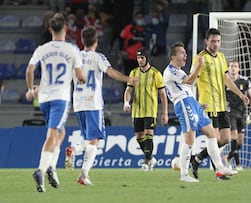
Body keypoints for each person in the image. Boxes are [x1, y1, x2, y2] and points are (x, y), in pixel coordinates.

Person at [67, 26, 138, 185]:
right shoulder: (98, 57)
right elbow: (111, 72)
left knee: (89, 139)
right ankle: (82, 173)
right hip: (93, 103)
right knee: (95, 141)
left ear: (82, 40)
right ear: (96, 41)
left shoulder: (75, 57)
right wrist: (129, 79)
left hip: (78, 103)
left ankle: (76, 152)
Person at [25, 13, 85, 192]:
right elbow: (80, 76)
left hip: (43, 98)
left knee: (60, 132)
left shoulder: (42, 49)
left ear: (50, 29)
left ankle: (52, 167)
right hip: (60, 98)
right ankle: (41, 170)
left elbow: (30, 70)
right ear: (65, 28)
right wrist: (82, 78)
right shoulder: (72, 49)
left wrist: (30, 90)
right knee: (53, 134)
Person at [163, 42, 236, 182]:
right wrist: (199, 66)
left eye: (185, 53)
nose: (185, 55)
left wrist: (197, 105)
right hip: (183, 104)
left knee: (212, 133)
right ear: (173, 56)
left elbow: (186, 88)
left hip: (191, 103)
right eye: (182, 53)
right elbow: (189, 81)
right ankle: (184, 174)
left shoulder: (179, 71)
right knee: (189, 140)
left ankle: (220, 168)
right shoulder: (170, 71)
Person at [190, 28, 249, 180]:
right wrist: (193, 102)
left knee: (225, 139)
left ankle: (197, 159)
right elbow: (191, 80)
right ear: (206, 41)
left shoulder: (222, 57)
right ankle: (219, 171)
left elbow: (226, 80)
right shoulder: (199, 58)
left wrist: (241, 94)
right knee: (213, 138)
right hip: (208, 105)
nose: (216, 44)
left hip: (222, 105)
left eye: (218, 41)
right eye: (212, 41)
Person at [123, 48, 168, 171]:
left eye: (142, 58)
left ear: (147, 58)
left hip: (150, 110)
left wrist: (165, 113)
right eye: (138, 58)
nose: (140, 60)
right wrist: (126, 102)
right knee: (139, 137)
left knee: (149, 134)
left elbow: (163, 94)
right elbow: (128, 90)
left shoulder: (155, 74)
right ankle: (151, 158)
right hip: (137, 110)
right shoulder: (133, 73)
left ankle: (146, 162)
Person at [223, 60, 251, 171]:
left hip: (241, 113)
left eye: (235, 66)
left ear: (239, 69)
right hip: (229, 112)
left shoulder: (245, 81)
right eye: (231, 66)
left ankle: (228, 158)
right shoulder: (224, 81)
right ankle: (236, 164)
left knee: (240, 140)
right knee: (233, 136)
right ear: (228, 68)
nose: (233, 68)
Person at [120, 11, 146, 76]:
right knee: (128, 75)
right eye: (138, 17)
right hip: (129, 57)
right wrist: (122, 50)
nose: (139, 19)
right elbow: (121, 38)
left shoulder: (146, 29)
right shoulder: (129, 27)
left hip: (141, 58)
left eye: (141, 18)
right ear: (135, 18)